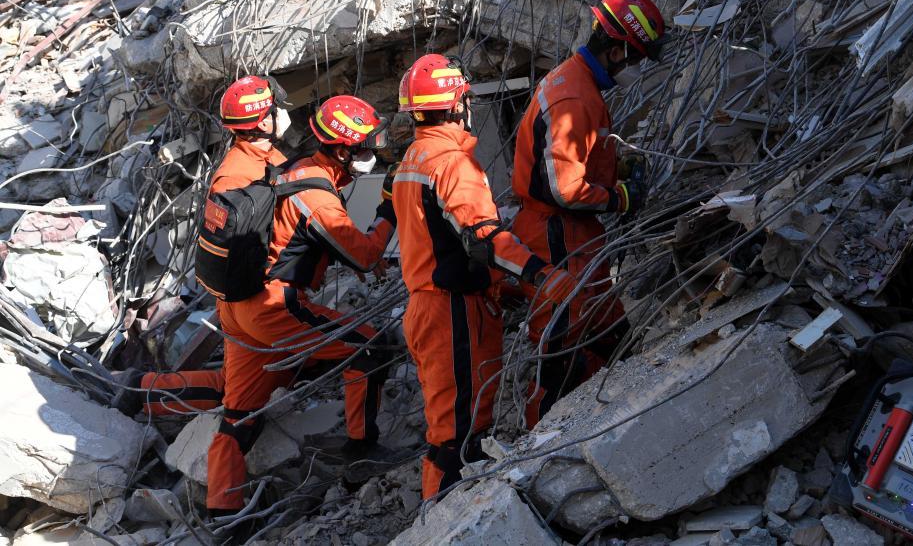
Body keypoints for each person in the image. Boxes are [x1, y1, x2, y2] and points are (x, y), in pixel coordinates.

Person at [390, 54, 577, 499]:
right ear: (458, 104)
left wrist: (495, 283)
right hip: (451, 311)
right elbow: (484, 236)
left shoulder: (414, 157)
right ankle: (443, 519)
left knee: (458, 425)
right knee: (456, 435)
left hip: (433, 305)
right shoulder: (451, 162)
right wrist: (539, 274)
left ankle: (452, 514)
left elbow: (443, 240)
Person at [206, 94, 396, 516]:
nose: (372, 152)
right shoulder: (318, 197)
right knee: (370, 348)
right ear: (342, 151)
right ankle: (361, 455)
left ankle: (221, 512)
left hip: (238, 304)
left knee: (239, 414)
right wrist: (389, 209)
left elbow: (304, 237)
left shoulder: (294, 167)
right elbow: (364, 255)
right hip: (274, 306)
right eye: (365, 146)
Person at [510, 0, 666, 427]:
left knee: (609, 333)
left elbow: (574, 160)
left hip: (575, 233)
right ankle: (539, 441)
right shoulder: (574, 99)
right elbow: (564, 188)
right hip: (557, 235)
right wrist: (620, 196)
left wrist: (614, 166)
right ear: (616, 51)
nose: (637, 68)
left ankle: (611, 421)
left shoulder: (576, 82)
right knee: (562, 345)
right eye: (636, 59)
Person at [113, 75, 292, 418]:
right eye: (274, 110)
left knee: (241, 383)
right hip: (252, 295)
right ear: (262, 122)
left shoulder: (263, 158)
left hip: (253, 294)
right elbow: (240, 245)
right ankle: (142, 391)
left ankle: (142, 390)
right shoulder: (237, 176)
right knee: (236, 392)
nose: (282, 114)